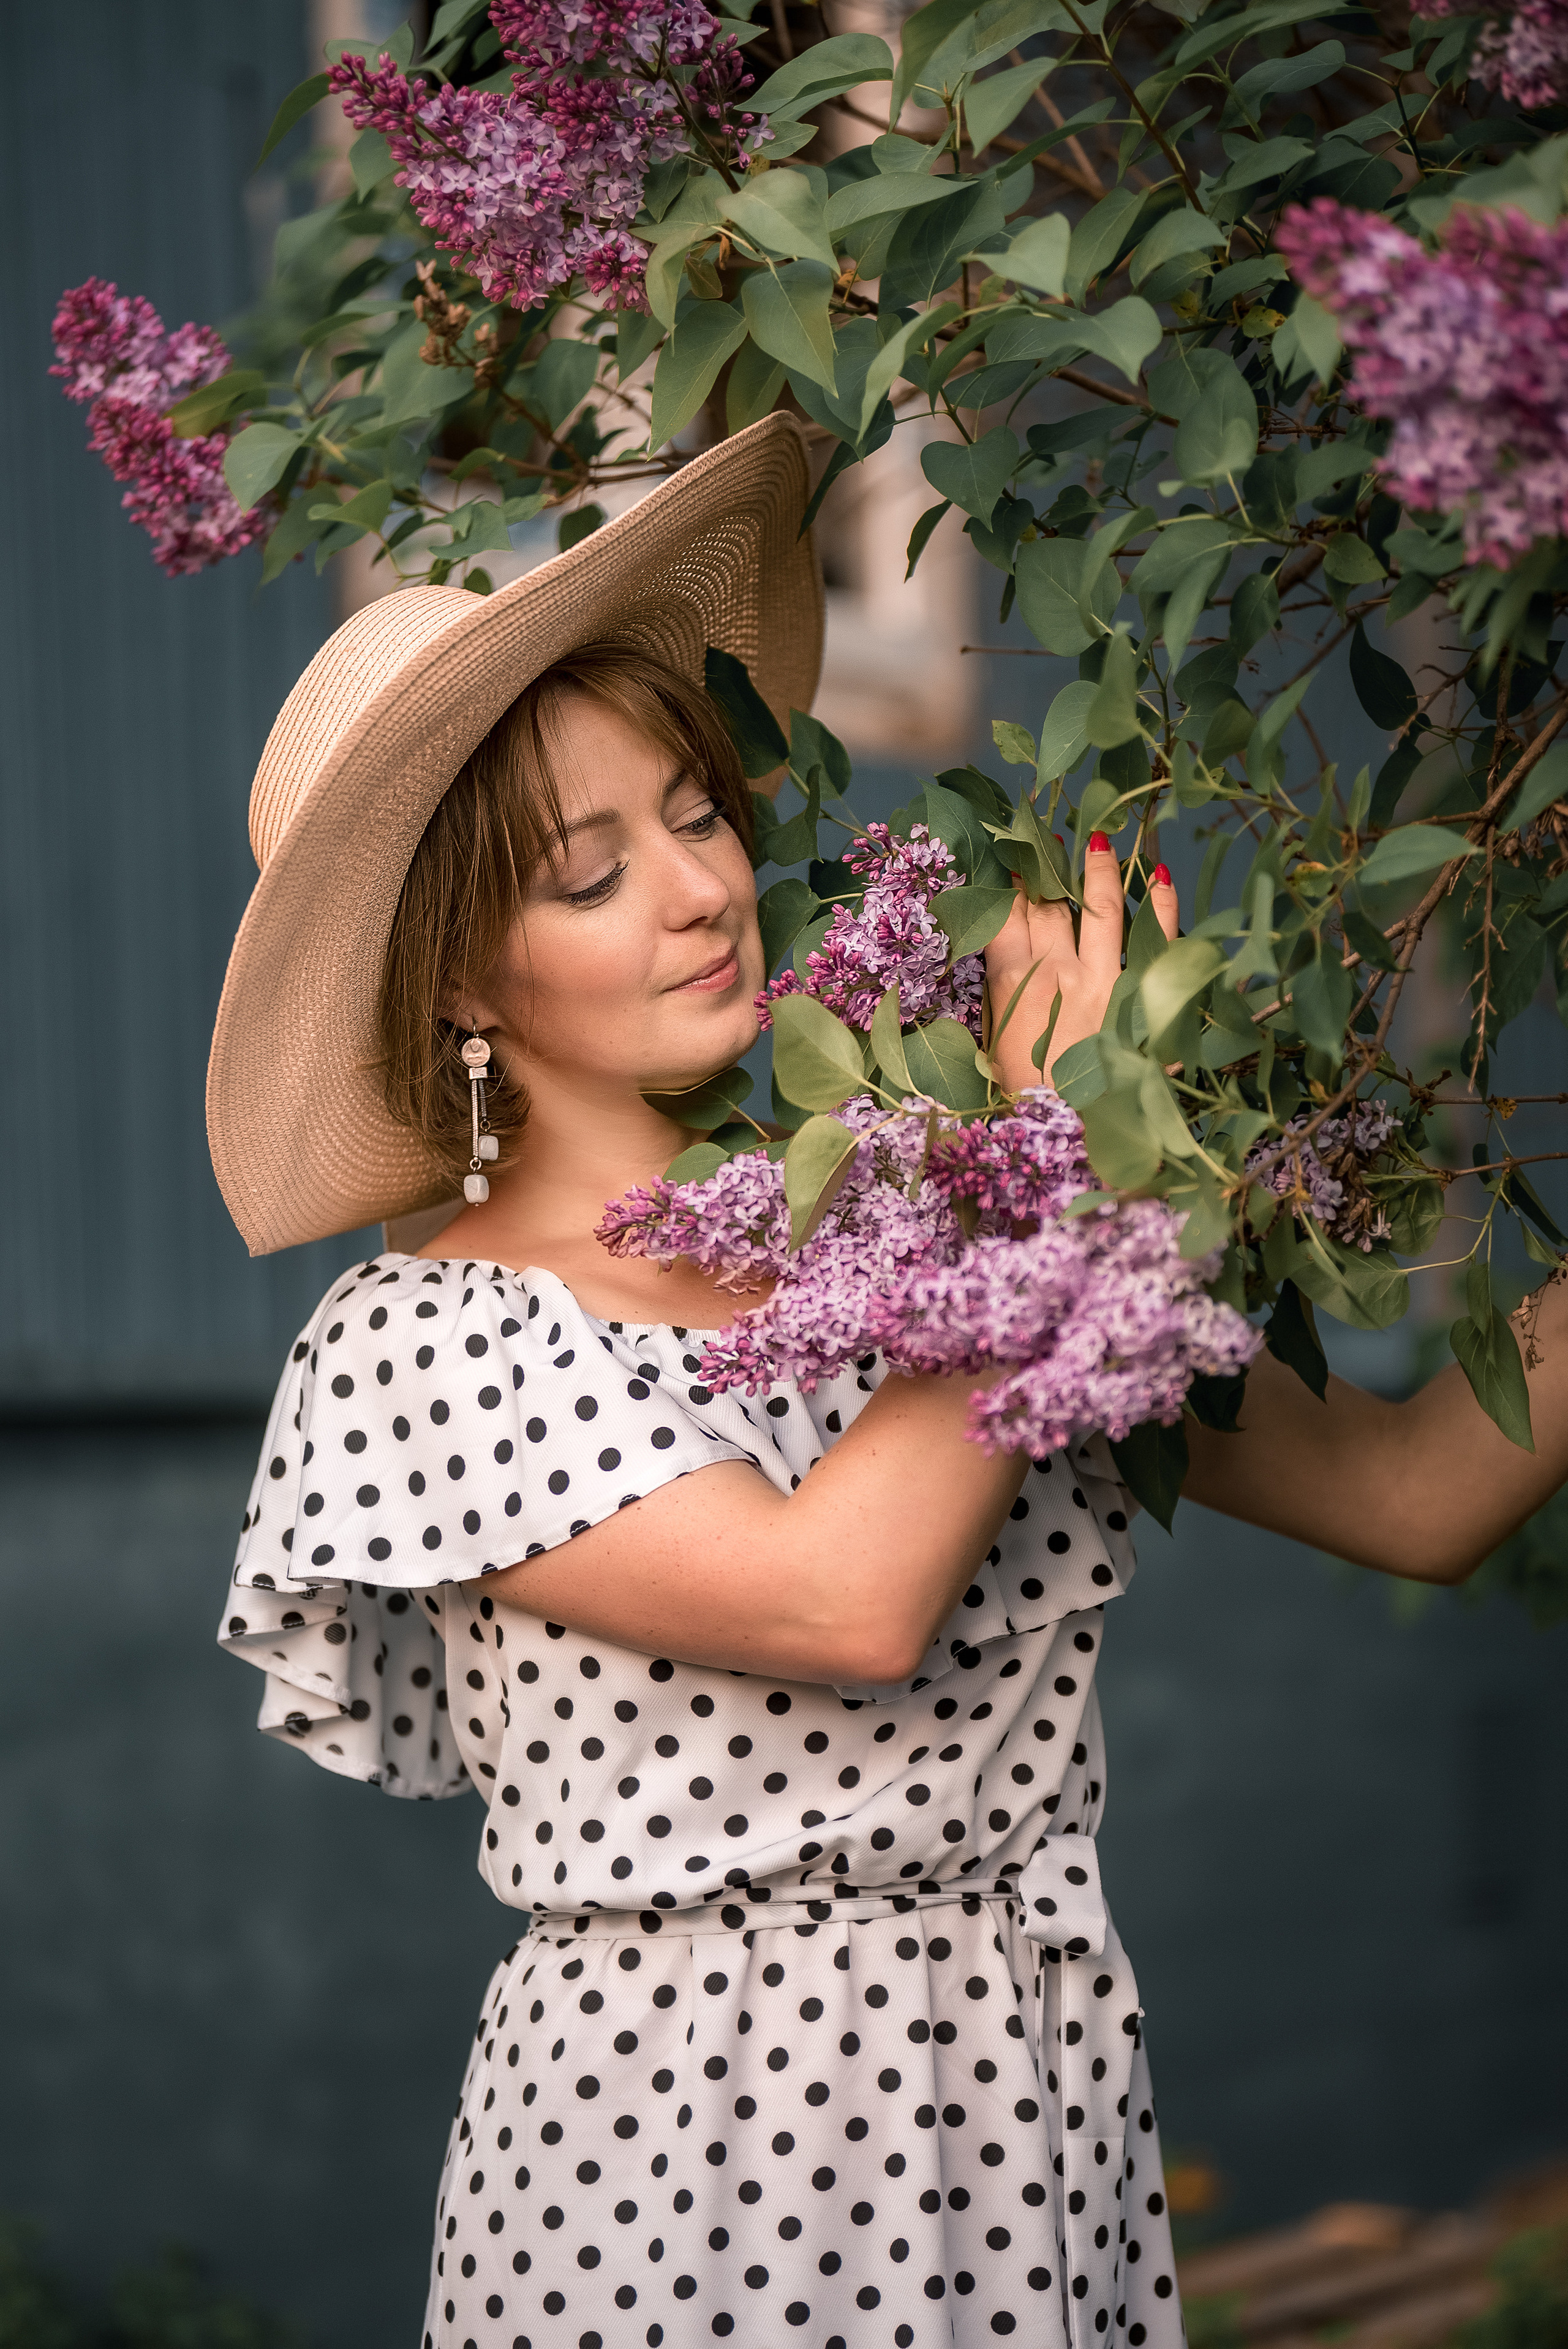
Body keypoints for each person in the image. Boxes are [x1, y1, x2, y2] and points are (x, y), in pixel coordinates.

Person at [208, 416, 1568, 2349]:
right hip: (691, 2155)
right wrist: (1064, 1161)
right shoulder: (420, 1346)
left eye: (693, 812)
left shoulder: (921, 1226)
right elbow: (840, 1597)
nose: (697, 889)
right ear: (462, 984)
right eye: (591, 872)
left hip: (1017, 2113)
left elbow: (1423, 1493)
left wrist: (1027, 1177)